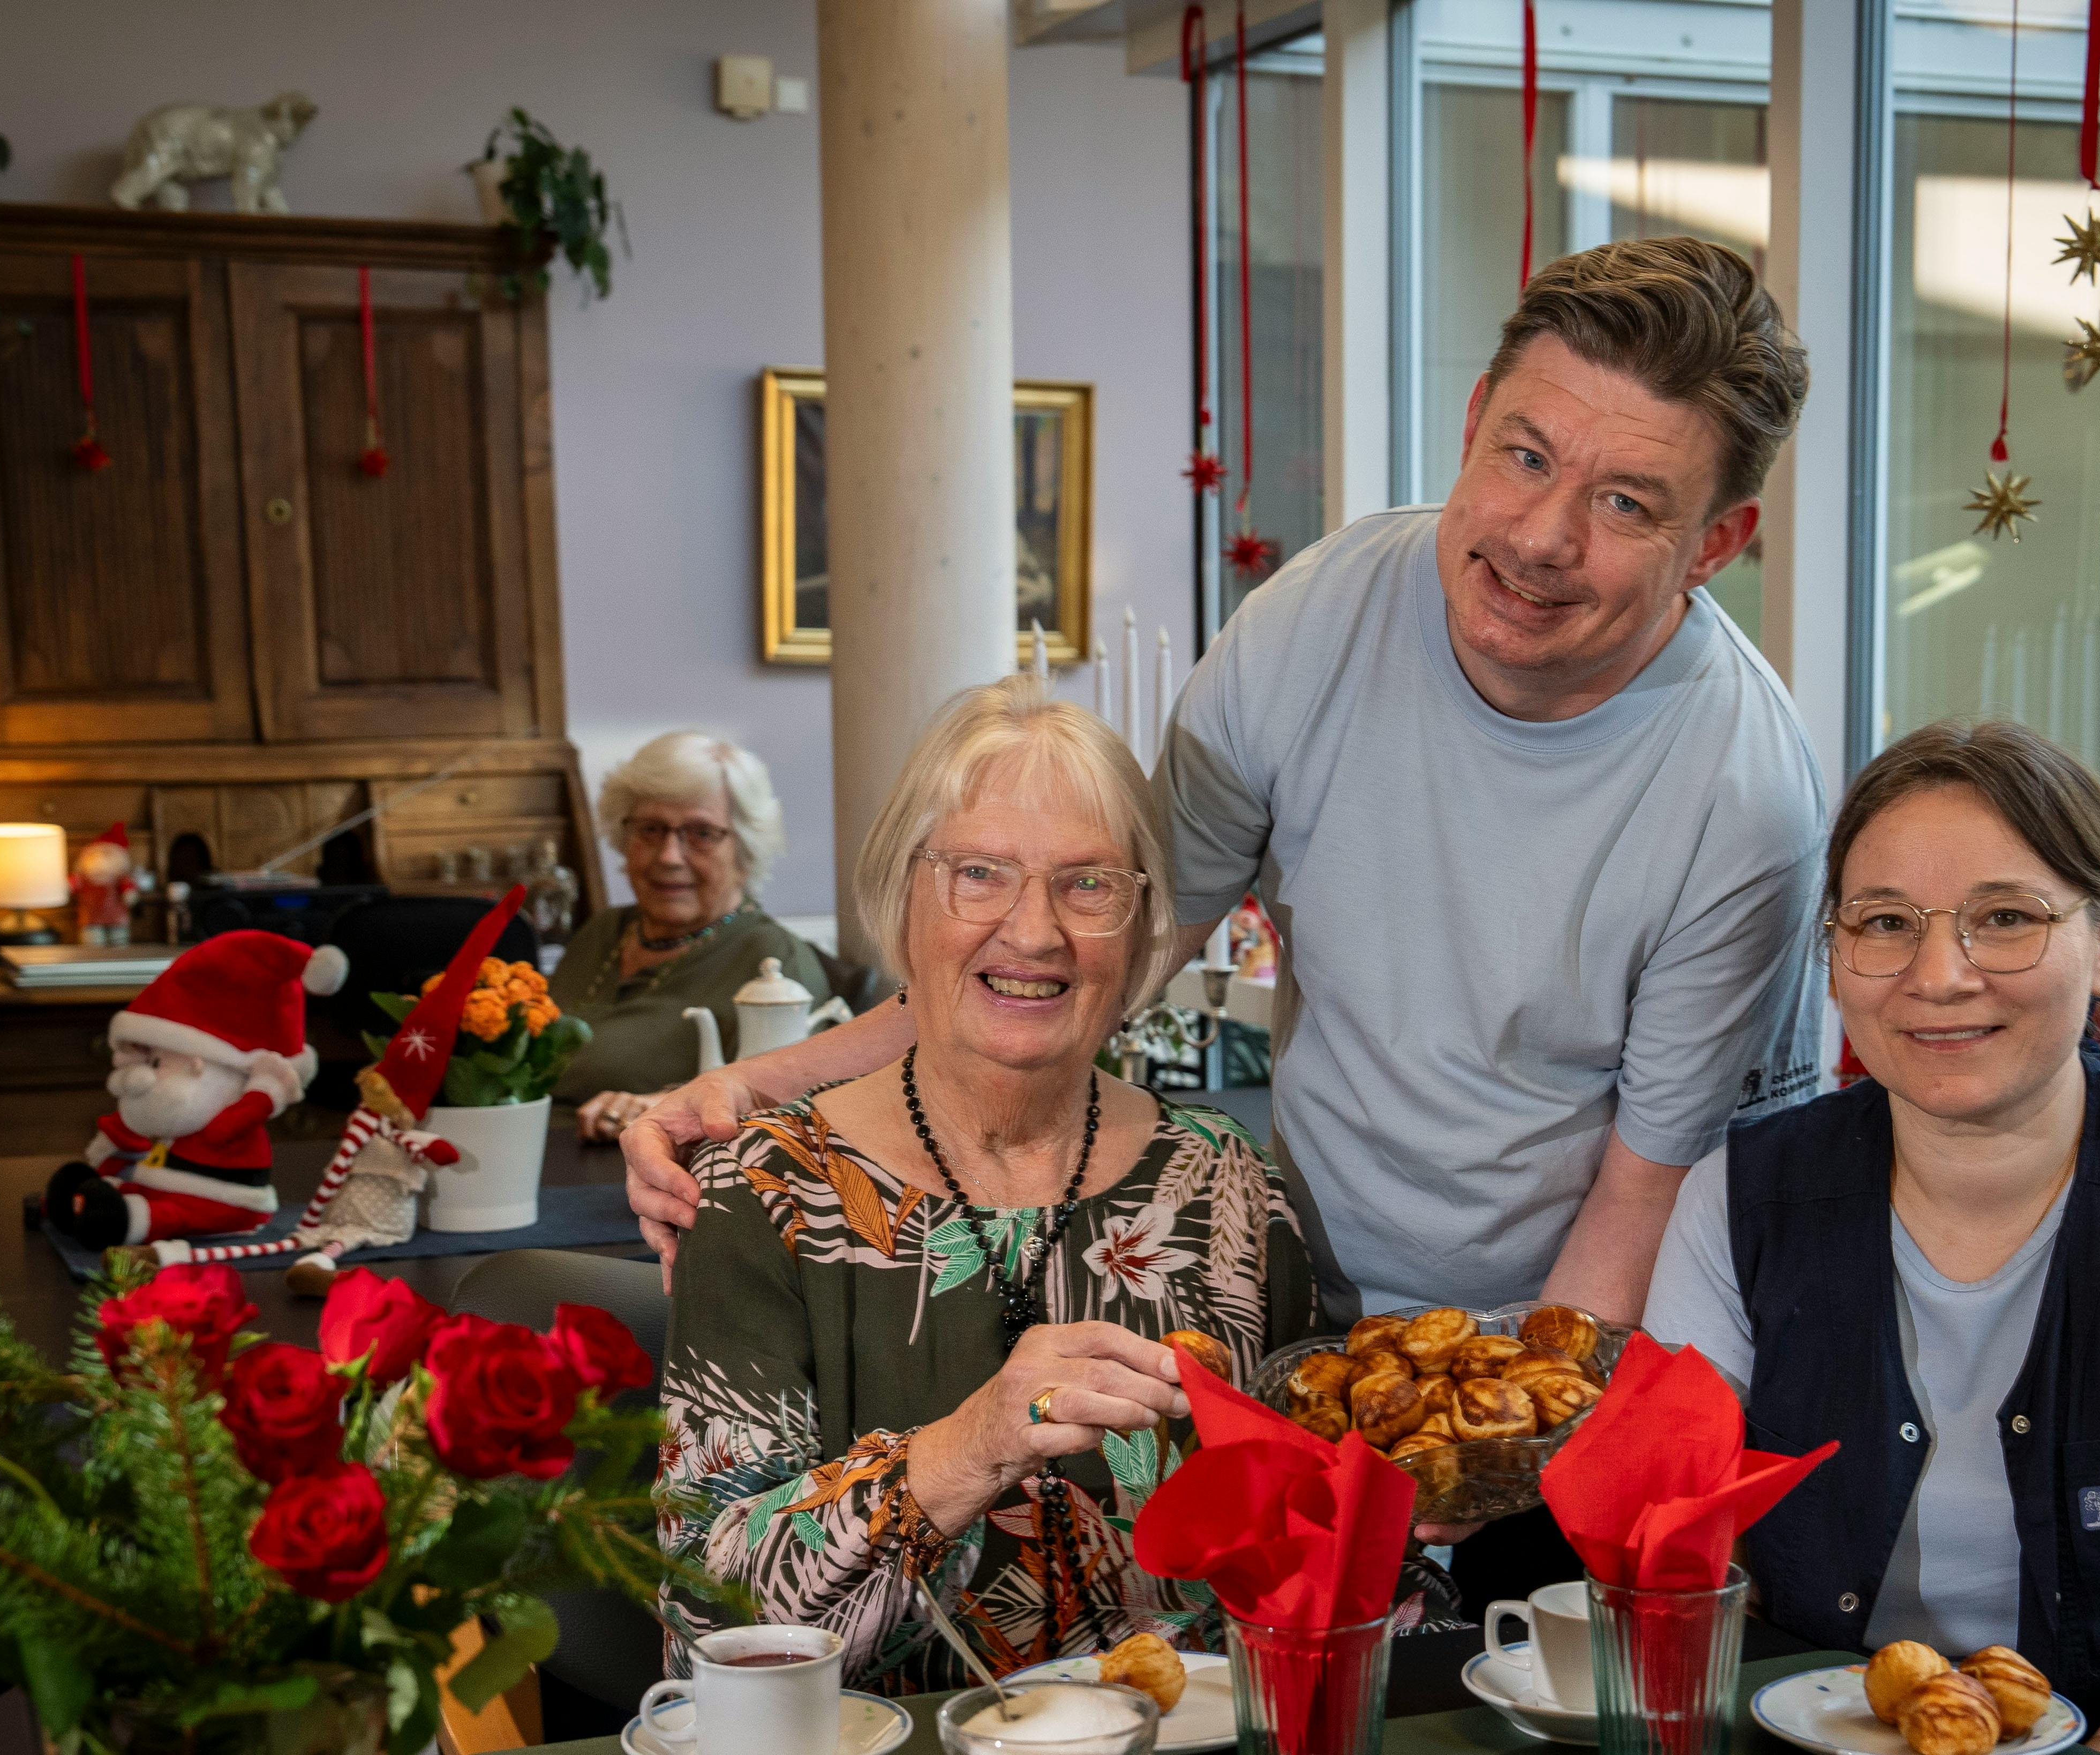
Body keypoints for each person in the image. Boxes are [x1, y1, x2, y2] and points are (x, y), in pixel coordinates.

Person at [628, 236, 1826, 1602]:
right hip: (1296, 1302)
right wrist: (751, 1089)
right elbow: (1090, 951)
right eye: (1527, 454)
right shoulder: (1317, 620)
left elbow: (1641, 1191)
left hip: (1566, 1368)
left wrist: (1476, 1454)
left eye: (1626, 502)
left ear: (1716, 543)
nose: (1543, 537)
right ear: (1473, 421)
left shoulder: (1743, 804)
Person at [1644, 721, 2100, 1755]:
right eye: (1883, 922)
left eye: (2003, 917)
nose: (1938, 974)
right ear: (1832, 959)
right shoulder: (1735, 1195)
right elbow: (1676, 1564)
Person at [657, 678, 1319, 1689]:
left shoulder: (1224, 1182)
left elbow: (1308, 1556)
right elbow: (710, 1622)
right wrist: (966, 1449)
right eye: (979, 873)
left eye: (1088, 883)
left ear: (1142, 925)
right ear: (899, 898)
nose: (1034, 931)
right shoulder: (765, 1190)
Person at [551, 731, 887, 1141]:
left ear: (745, 849)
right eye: (651, 829)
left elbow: (794, 1107)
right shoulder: (602, 932)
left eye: (702, 834)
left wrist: (665, 1102)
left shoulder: (773, 959)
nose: (669, 857)